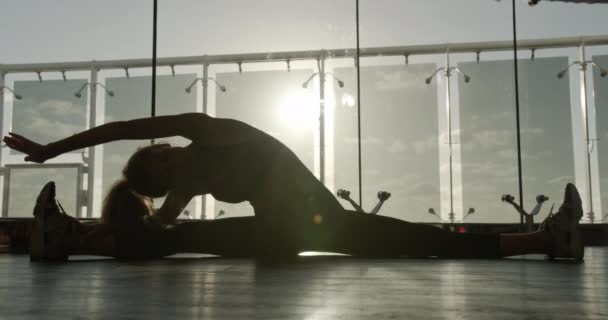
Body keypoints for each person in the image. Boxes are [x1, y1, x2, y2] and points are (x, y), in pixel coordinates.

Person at [3, 113, 584, 261]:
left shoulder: (209, 135)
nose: (167, 151)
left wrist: (54, 149)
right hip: (288, 233)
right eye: (162, 161)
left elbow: (123, 127)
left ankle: (541, 240)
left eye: (159, 149)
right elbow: (156, 229)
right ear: (163, 172)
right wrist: (110, 229)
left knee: (416, 236)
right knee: (184, 235)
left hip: (308, 224)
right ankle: (69, 239)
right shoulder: (189, 182)